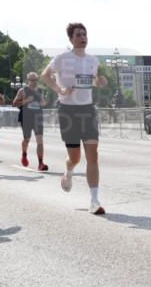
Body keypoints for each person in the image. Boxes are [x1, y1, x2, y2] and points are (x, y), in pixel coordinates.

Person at [41, 23, 107, 214]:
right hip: (67, 110)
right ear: (71, 39)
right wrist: (60, 89)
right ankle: (68, 171)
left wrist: (99, 81)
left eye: (85, 34)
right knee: (75, 158)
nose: (83, 37)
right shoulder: (62, 58)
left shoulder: (93, 60)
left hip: (88, 110)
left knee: (93, 154)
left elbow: (94, 79)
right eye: (78, 34)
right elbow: (45, 76)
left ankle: (94, 201)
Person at [13, 72, 48, 171]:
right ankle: (24, 154)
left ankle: (41, 163)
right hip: (26, 118)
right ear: (28, 80)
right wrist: (26, 100)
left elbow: (45, 103)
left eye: (35, 80)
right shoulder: (22, 90)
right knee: (27, 139)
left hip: (38, 117)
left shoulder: (41, 90)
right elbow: (14, 103)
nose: (34, 82)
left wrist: (43, 102)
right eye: (32, 80)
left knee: (40, 140)